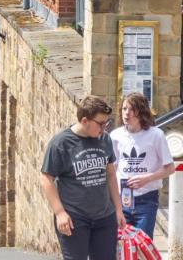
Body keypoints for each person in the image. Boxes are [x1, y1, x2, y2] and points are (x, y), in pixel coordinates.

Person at [41, 95, 125, 260]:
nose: (104, 129)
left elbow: (110, 174)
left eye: (106, 123)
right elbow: (46, 178)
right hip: (74, 218)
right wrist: (59, 213)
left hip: (104, 216)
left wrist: (118, 209)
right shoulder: (61, 143)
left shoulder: (104, 139)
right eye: (101, 124)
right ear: (85, 120)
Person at [110, 92, 173, 239]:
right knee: (119, 244)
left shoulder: (156, 135)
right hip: (121, 199)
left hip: (146, 199)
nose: (127, 113)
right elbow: (112, 169)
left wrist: (147, 178)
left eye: (132, 109)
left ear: (141, 111)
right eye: (124, 109)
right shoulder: (115, 136)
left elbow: (169, 168)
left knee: (142, 244)